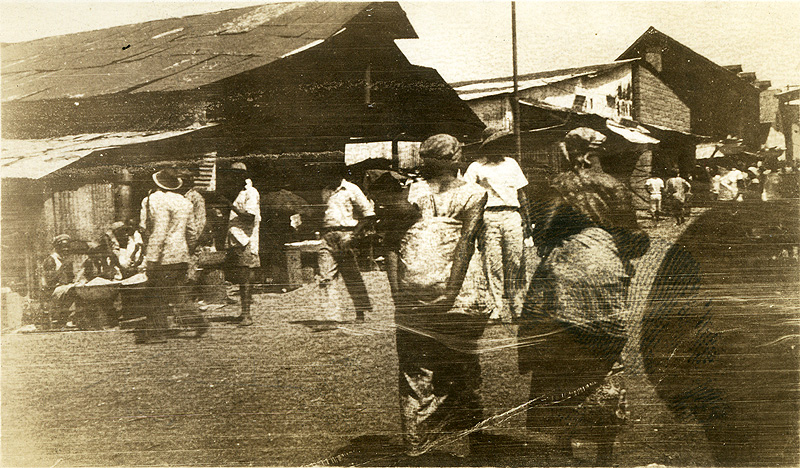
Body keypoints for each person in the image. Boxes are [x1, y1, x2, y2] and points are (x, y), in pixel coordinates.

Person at [519, 127, 648, 465]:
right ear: (598, 151)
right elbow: (634, 241)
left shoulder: (558, 185)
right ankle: (604, 454)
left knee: (557, 360)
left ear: (569, 150)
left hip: (561, 276)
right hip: (603, 272)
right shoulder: (613, 186)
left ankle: (563, 449)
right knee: (603, 361)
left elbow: (542, 233)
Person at [383, 133, 489, 458]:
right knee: (462, 369)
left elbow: (389, 242)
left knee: (415, 372)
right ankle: (472, 446)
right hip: (458, 297)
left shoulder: (409, 193)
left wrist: (397, 292)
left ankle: (418, 448)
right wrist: (450, 293)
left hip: (412, 295)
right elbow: (466, 243)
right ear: (456, 158)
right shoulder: (474, 193)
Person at [463, 129, 529, 322]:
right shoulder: (476, 167)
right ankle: (496, 308)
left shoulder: (512, 164)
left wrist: (526, 219)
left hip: (512, 215)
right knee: (493, 263)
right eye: (494, 143)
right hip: (488, 216)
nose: (499, 147)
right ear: (487, 146)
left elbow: (522, 193)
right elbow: (469, 196)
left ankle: (518, 307)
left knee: (516, 261)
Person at [139, 167, 208, 343]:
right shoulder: (184, 202)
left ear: (156, 183)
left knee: (156, 295)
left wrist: (152, 258)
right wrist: (189, 249)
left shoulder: (154, 200)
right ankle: (196, 319)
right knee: (178, 292)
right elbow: (191, 230)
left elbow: (159, 231)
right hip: (181, 254)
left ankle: (157, 333)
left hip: (163, 256)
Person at [319, 165, 375, 324]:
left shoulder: (352, 189)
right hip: (327, 235)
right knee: (325, 277)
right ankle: (331, 317)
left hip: (346, 234)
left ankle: (361, 312)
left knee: (351, 275)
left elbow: (368, 214)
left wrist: (353, 235)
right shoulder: (325, 192)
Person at [224, 162, 261, 327]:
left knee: (246, 278)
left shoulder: (251, 193)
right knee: (242, 277)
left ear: (242, 175)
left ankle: (247, 315)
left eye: (235, 174)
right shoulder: (239, 192)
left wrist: (229, 206)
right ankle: (244, 313)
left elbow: (250, 217)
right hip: (237, 239)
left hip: (246, 240)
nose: (231, 177)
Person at [39, 234, 78, 328]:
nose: (66, 250)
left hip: (61, 288)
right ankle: (68, 317)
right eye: (63, 247)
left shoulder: (64, 260)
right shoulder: (51, 260)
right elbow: (49, 281)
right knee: (72, 291)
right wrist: (63, 267)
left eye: (67, 247)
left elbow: (70, 278)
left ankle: (74, 317)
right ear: (57, 247)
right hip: (51, 290)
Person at [181, 170, 207, 300]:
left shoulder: (196, 197)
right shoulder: (180, 196)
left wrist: (193, 241)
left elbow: (200, 222)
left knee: (191, 271)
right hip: (180, 240)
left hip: (191, 241)